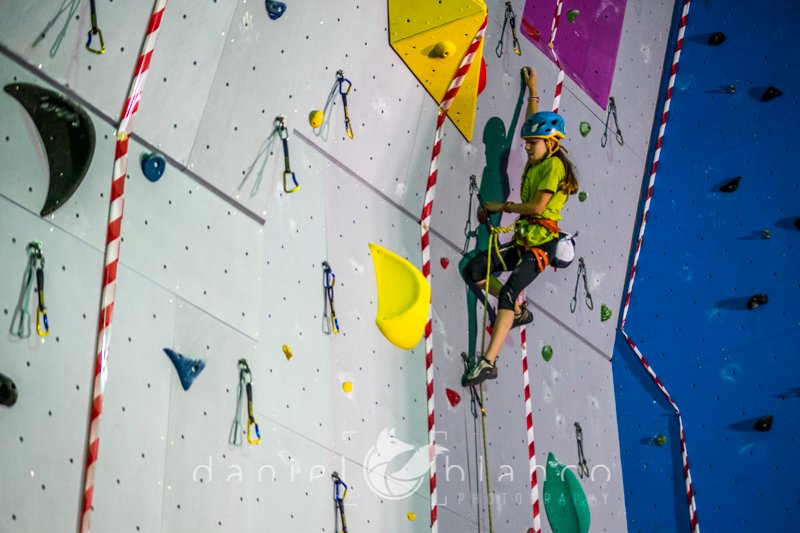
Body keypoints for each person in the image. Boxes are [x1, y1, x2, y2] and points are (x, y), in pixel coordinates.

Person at [463, 67, 579, 385]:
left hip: (541, 244)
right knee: (475, 270)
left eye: (532, 143)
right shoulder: (539, 158)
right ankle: (516, 312)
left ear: (550, 143)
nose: (526, 147)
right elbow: (531, 124)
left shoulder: (553, 167)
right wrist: (533, 91)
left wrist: (502, 207)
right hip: (525, 238)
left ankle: (488, 363)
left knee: (508, 291)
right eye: (526, 143)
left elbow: (538, 207)